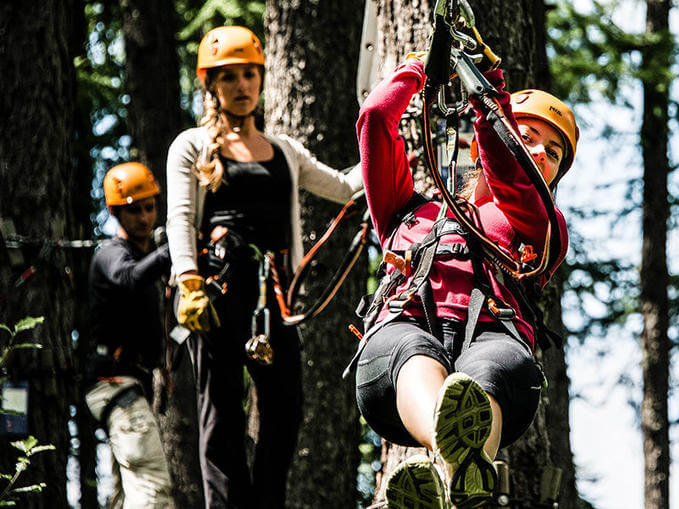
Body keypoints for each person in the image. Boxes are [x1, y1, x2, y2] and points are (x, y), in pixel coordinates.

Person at [353, 54, 578, 509]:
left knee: (489, 372)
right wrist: (419, 68)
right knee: (411, 352)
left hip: (496, 339)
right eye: (529, 137)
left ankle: (455, 476)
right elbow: (376, 118)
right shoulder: (409, 209)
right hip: (399, 341)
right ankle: (463, 471)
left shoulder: (544, 224)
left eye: (552, 152)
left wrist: (486, 92)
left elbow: (512, 175)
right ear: (480, 144)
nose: (538, 152)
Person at [165, 25, 362, 508]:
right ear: (211, 84)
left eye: (249, 74)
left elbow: (343, 187)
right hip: (216, 288)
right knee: (222, 412)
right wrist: (187, 279)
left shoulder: (285, 151)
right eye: (228, 77)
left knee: (285, 409)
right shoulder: (192, 146)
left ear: (261, 78)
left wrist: (395, 146)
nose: (241, 85)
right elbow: (180, 216)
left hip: (276, 293)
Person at [85, 162, 174, 508]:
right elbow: (129, 278)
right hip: (114, 383)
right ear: (115, 212)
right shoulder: (111, 255)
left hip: (129, 384)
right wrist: (175, 248)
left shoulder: (143, 257)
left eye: (150, 207)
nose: (144, 217)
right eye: (134, 209)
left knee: (126, 494)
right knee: (151, 485)